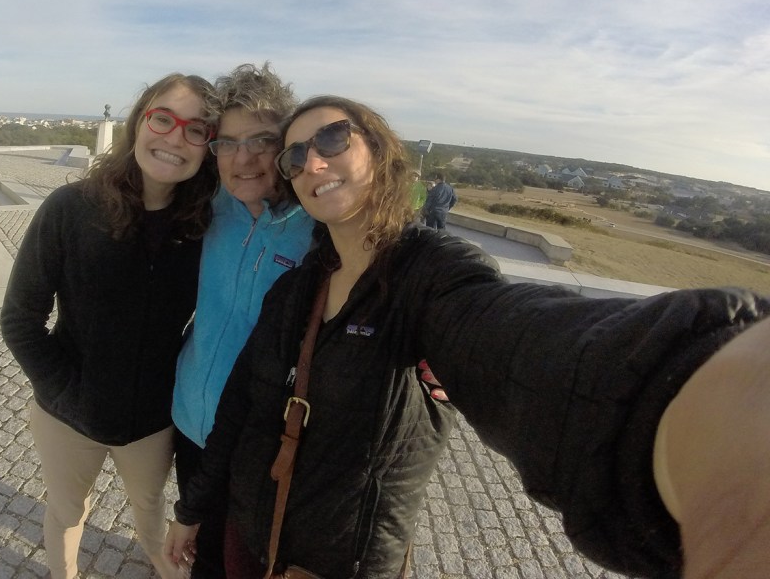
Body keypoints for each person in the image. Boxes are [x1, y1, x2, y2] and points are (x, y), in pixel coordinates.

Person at [164, 94, 770, 579]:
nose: (313, 162)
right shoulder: (297, 288)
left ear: (378, 151)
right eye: (295, 157)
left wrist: (680, 391)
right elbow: (243, 408)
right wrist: (191, 511)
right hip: (246, 541)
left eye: (331, 139)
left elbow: (512, 340)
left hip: (338, 561)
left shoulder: (428, 274)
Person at [0, 73, 220, 579]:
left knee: (149, 512)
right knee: (67, 511)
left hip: (152, 422)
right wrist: (67, 392)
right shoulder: (71, 208)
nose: (174, 137)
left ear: (208, 147)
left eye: (195, 130)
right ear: (139, 121)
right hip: (66, 417)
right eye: (163, 118)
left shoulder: (206, 226)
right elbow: (19, 318)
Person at [172, 63, 315, 578]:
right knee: (198, 545)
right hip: (190, 419)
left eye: (261, 140)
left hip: (259, 442)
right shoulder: (209, 206)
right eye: (228, 142)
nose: (244, 157)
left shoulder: (318, 229)